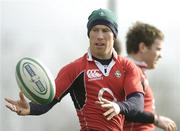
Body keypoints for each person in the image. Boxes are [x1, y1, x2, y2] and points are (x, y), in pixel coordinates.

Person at [5, 9, 144, 131]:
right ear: (89, 35)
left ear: (114, 35)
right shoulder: (74, 69)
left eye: (105, 30)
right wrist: (30, 108)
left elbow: (137, 103)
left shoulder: (127, 67)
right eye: (95, 30)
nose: (100, 36)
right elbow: (49, 99)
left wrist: (119, 107)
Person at [122, 21, 177, 131]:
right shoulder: (131, 72)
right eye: (158, 49)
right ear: (142, 47)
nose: (160, 55)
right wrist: (156, 119)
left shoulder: (135, 71)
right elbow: (127, 109)